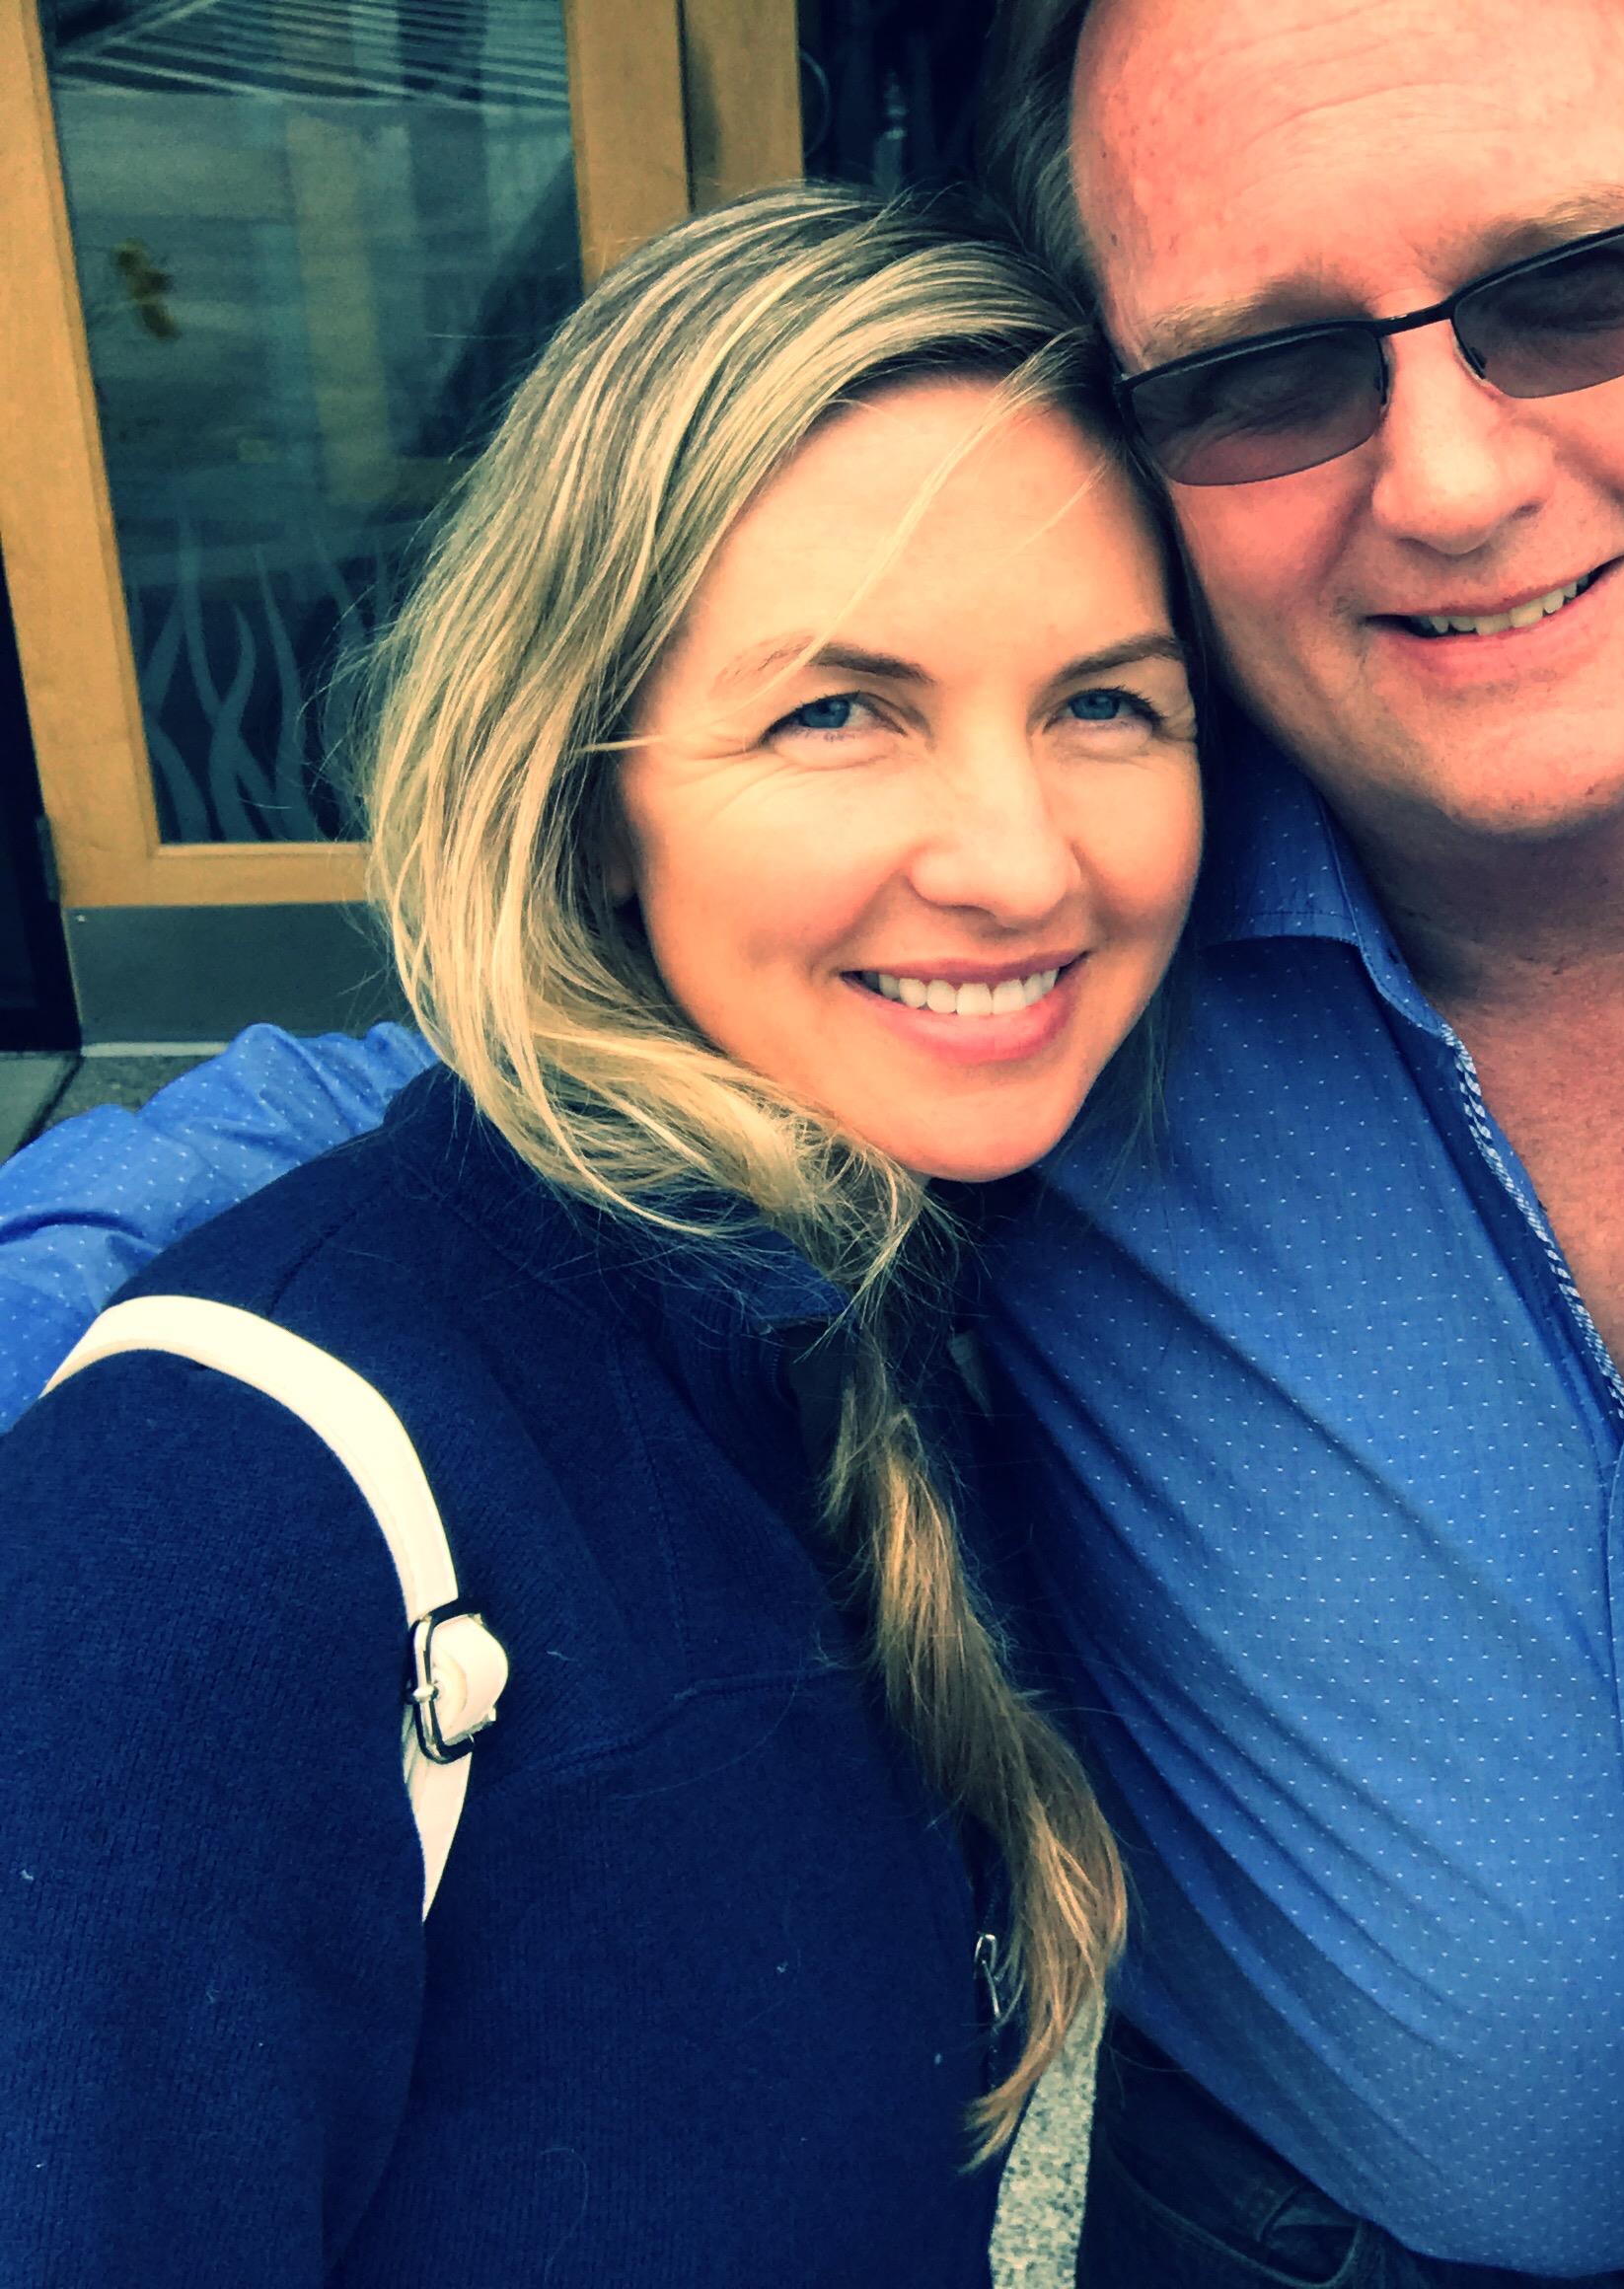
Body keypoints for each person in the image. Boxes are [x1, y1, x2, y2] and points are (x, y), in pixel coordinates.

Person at [0, 4, 1624, 2280]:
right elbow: (468, 1090)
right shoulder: (1069, 920)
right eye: (1269, 365)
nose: (1455, 480)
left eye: (1576, 283)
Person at [0, 181, 1204, 2281]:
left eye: (1106, 700)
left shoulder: (916, 1306)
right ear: (583, 786)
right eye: (837, 710)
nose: (1020, 860)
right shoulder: (224, 1512)